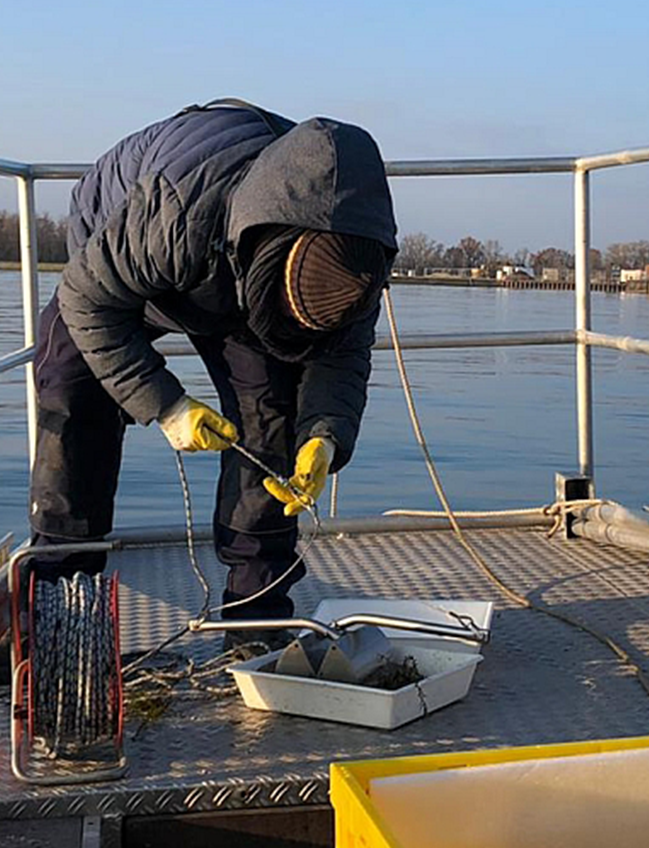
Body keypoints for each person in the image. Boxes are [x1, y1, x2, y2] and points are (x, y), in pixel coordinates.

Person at [27, 98, 398, 633]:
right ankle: (62, 596)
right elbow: (88, 299)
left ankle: (257, 615)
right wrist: (166, 404)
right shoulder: (174, 212)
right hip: (117, 255)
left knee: (271, 418)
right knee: (72, 388)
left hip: (244, 279)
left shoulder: (356, 263)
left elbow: (341, 358)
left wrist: (323, 434)